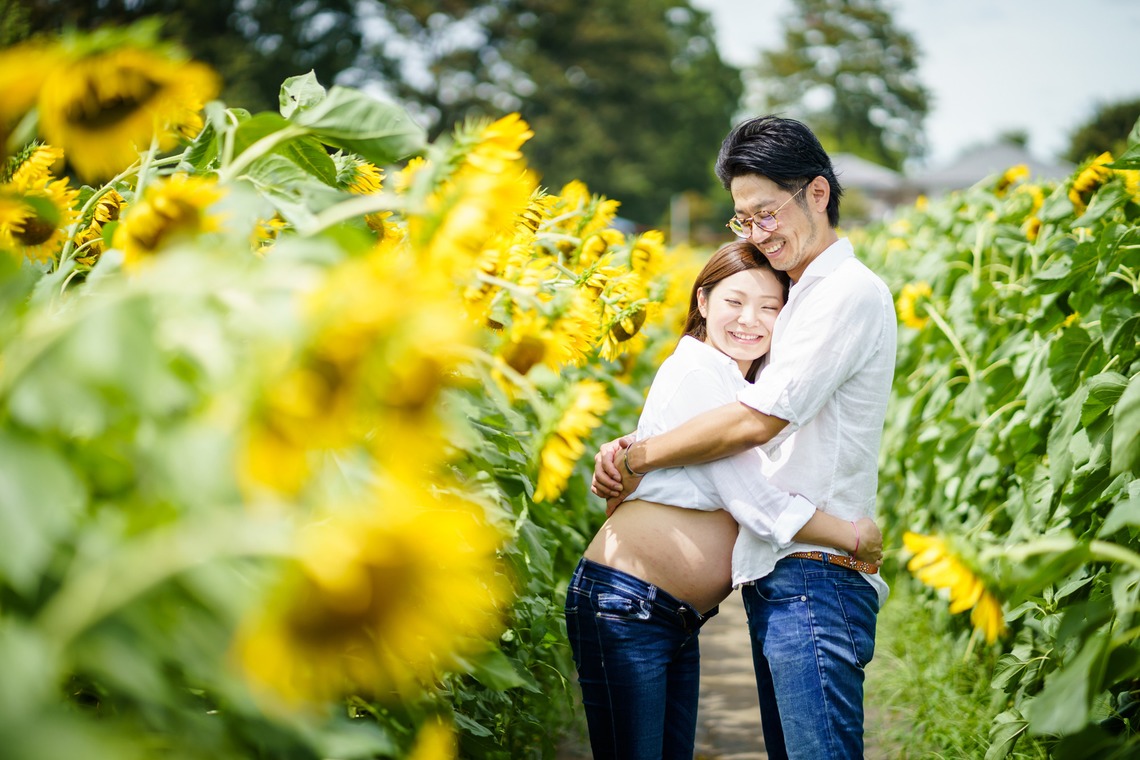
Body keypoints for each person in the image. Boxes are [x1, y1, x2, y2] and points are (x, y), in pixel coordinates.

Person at [592, 116, 898, 759]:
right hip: (781, 576)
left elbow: (756, 421)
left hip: (816, 575)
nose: (758, 233)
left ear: (817, 193)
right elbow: (722, 411)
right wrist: (641, 445)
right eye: (743, 219)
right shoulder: (797, 295)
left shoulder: (843, 293)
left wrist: (641, 455)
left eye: (766, 213)